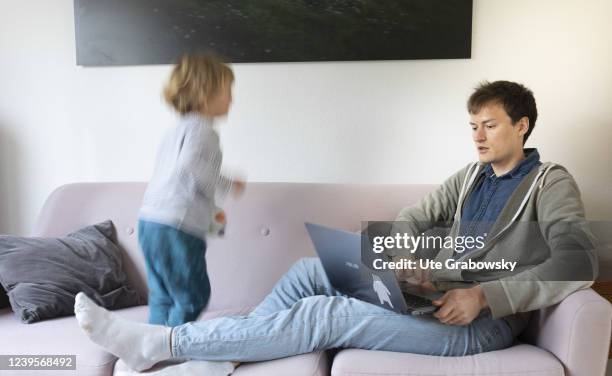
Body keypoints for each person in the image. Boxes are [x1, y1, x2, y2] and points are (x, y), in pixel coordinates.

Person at [73, 80, 597, 373]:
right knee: (307, 272)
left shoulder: (551, 183)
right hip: (434, 298)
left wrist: (484, 296)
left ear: (522, 125)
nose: (478, 137)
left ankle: (164, 344)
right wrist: (404, 254)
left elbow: (576, 260)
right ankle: (223, 355)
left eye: (490, 126)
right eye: (472, 127)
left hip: (479, 327)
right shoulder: (471, 176)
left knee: (328, 312)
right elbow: (418, 215)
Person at [138, 53, 245, 328]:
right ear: (204, 93)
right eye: (227, 92)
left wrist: (214, 218)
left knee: (162, 295)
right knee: (192, 297)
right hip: (177, 225)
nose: (232, 99)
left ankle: (150, 349)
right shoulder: (204, 130)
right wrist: (228, 183)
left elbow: (180, 176)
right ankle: (174, 353)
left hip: (150, 219)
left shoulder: (174, 132)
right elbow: (191, 165)